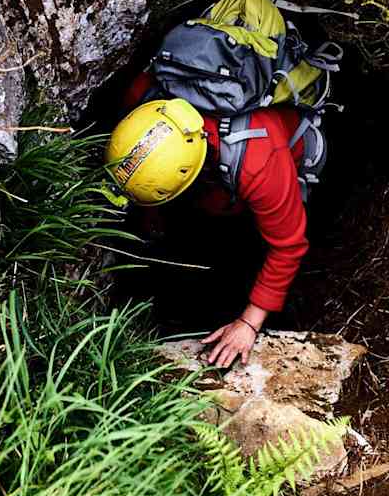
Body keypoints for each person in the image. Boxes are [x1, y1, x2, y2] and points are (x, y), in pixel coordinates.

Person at [107, 72, 315, 370]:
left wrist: (248, 323)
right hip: (215, 181)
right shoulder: (142, 99)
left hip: (274, 168)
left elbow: (288, 246)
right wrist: (150, 212)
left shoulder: (259, 160)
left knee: (237, 246)